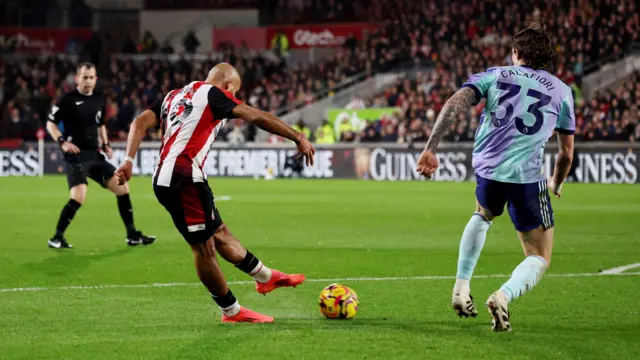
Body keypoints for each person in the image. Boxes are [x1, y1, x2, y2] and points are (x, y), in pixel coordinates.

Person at [114, 63, 316, 323]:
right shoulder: (213, 94)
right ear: (228, 86)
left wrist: (129, 159)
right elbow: (254, 116)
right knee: (203, 248)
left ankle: (265, 277)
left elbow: (139, 122)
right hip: (182, 176)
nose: (234, 97)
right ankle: (231, 311)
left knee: (219, 233)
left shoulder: (173, 96)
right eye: (235, 91)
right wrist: (297, 136)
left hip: (172, 175)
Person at [416, 18, 575, 332]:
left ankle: (461, 288)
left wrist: (431, 148)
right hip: (527, 178)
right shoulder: (562, 91)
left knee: (482, 215)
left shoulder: (494, 74)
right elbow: (566, 152)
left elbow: (454, 103)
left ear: (516, 52)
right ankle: (503, 296)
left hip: (488, 172)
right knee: (540, 255)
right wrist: (557, 181)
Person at [45, 62, 155, 249]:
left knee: (122, 188)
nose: (88, 81)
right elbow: (50, 124)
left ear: (95, 79)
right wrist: (62, 142)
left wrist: (105, 143)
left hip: (94, 156)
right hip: (76, 157)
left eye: (91, 77)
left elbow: (101, 124)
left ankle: (132, 235)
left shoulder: (99, 99)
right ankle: (56, 237)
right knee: (79, 196)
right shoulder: (67, 100)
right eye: (84, 77)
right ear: (77, 78)